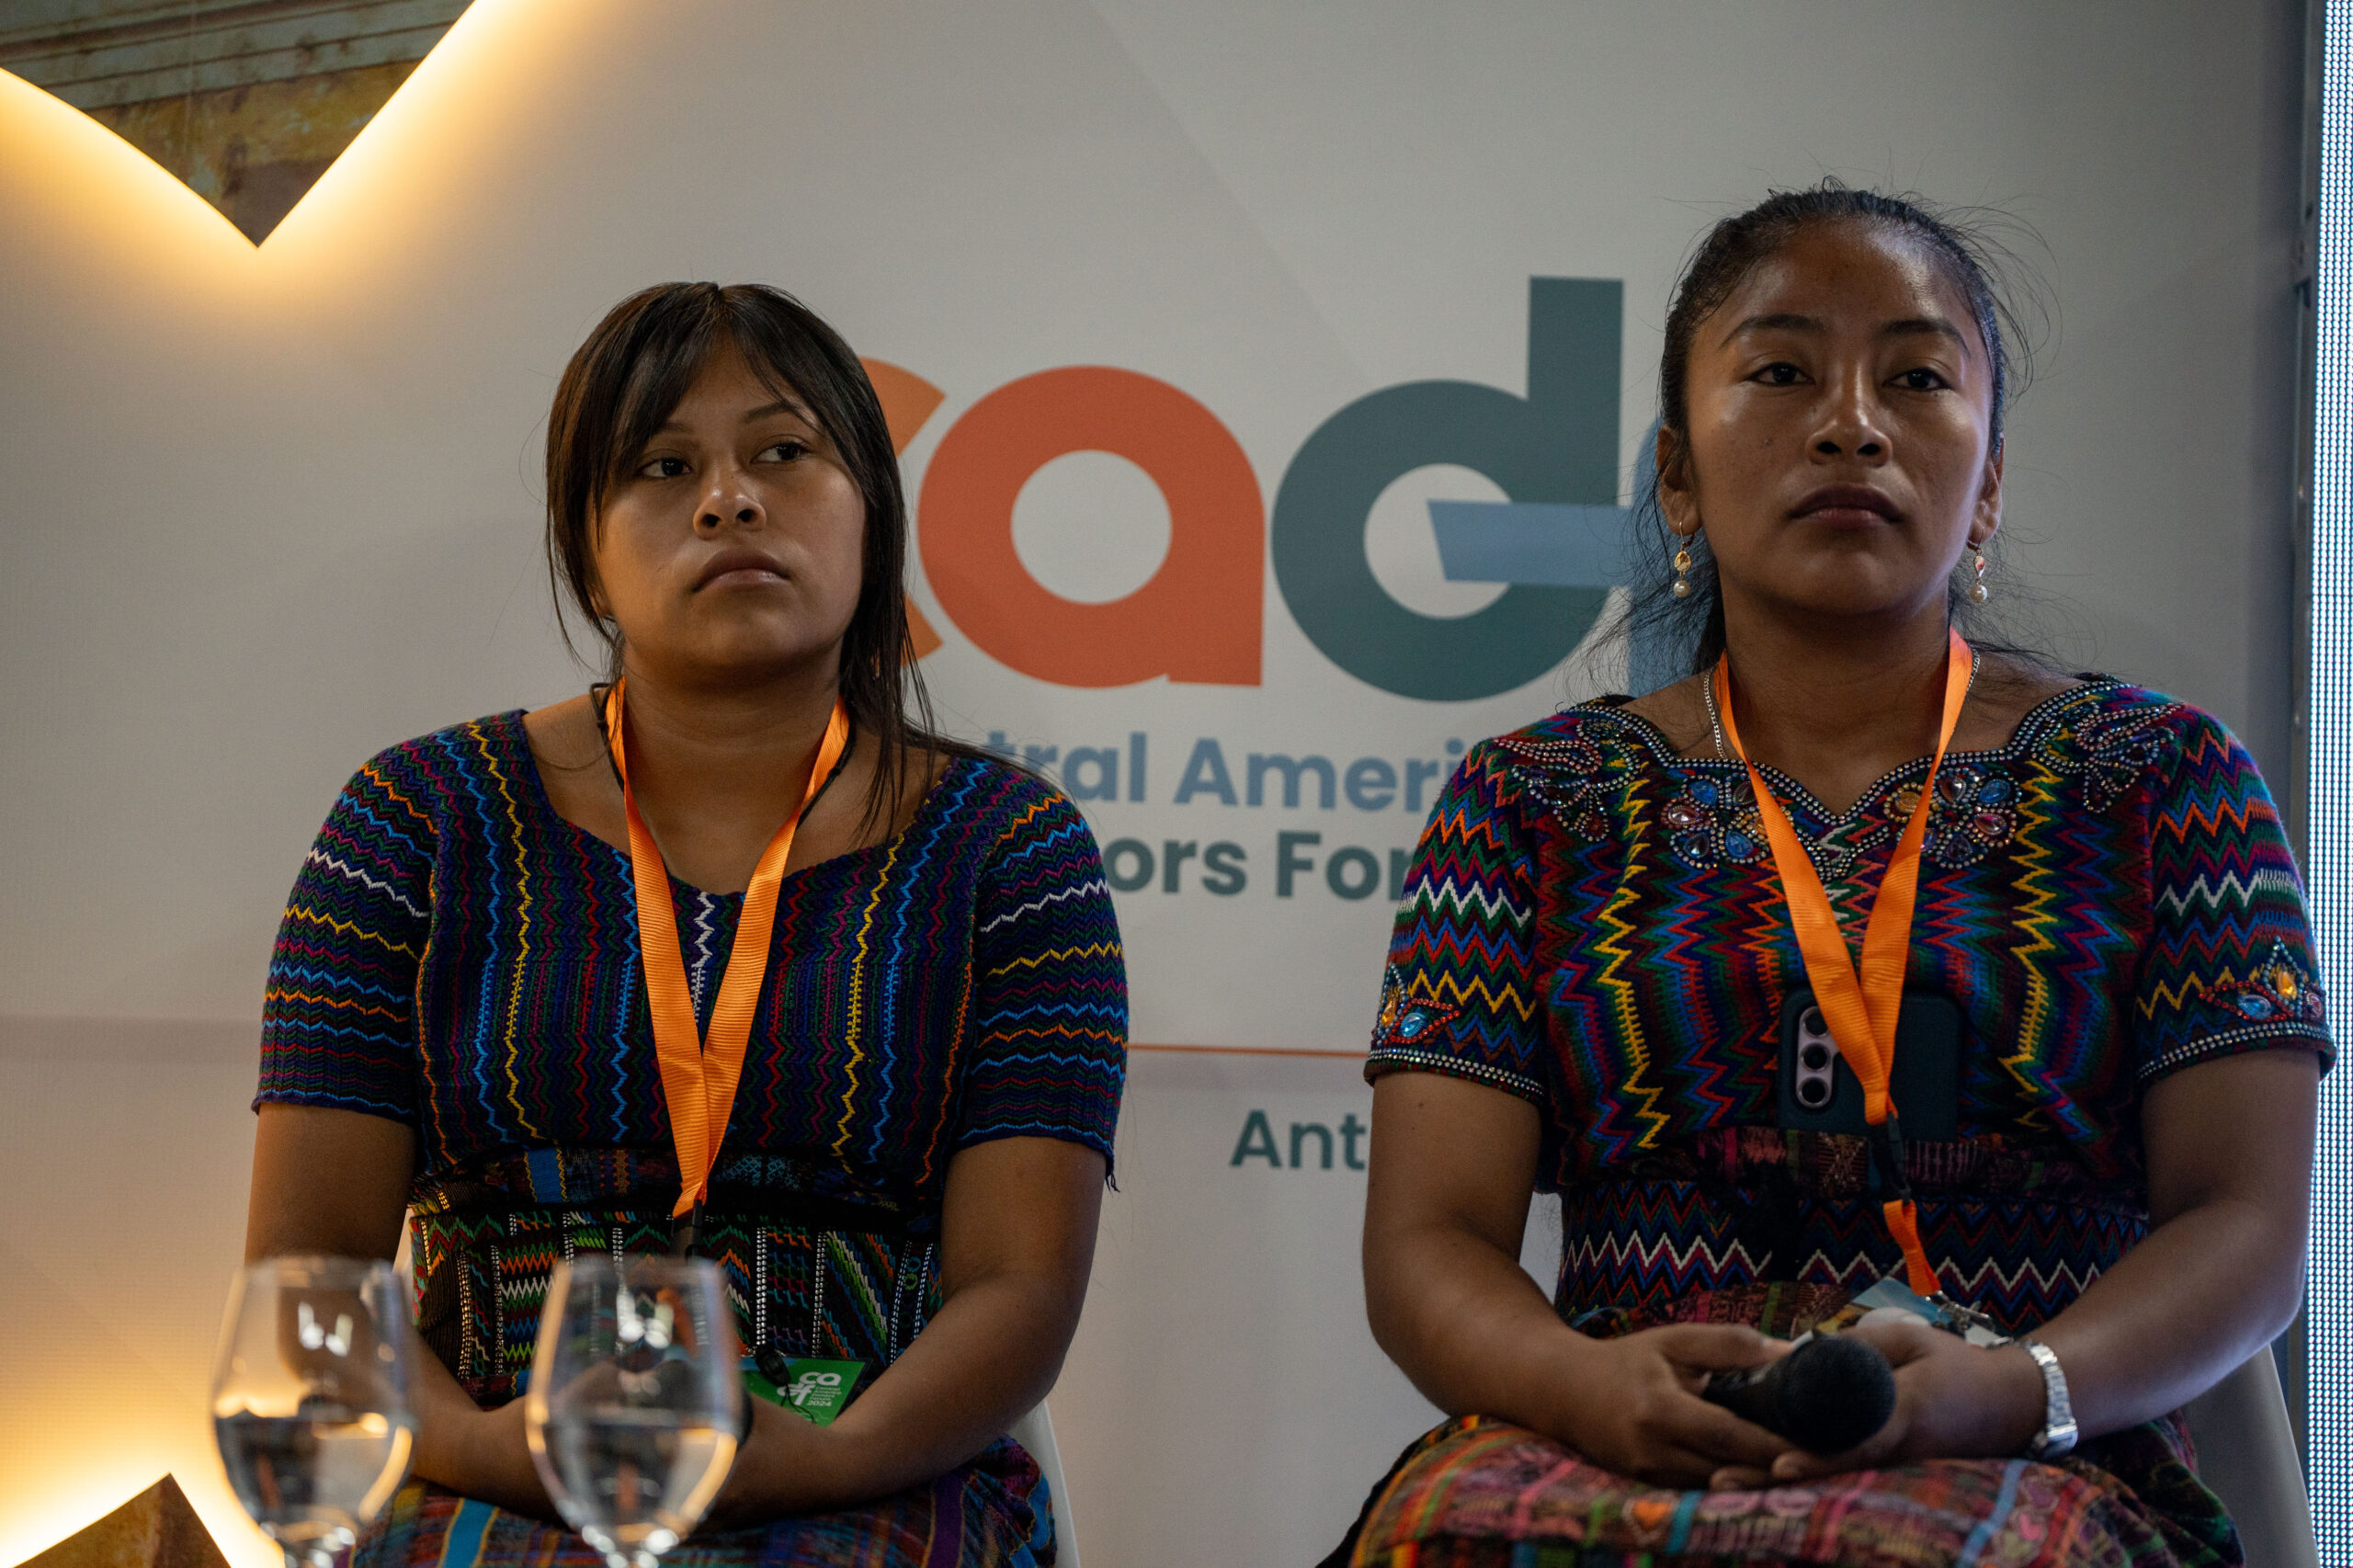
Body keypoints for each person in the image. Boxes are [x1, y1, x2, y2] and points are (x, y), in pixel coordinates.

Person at [1329, 185, 2326, 1567]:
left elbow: (2250, 1223)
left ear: (1987, 484)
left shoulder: (2161, 780)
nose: (1851, 420)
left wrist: (2020, 1386)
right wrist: (1583, 1385)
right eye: (1782, 370)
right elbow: (1428, 1243)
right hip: (1612, 1437)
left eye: (1915, 377)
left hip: (2032, 1450)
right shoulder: (1531, 803)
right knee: (1443, 1536)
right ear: (1677, 478)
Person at [244, 283, 1127, 1567]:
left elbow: (1020, 1289)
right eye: (665, 466)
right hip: (483, 1456)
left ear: (871, 515)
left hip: (874, 1467)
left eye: (784, 451)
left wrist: (833, 1455)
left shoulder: (1012, 851)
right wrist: (501, 1452)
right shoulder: (413, 823)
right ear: (587, 552)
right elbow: (304, 1296)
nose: (729, 498)